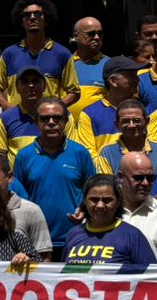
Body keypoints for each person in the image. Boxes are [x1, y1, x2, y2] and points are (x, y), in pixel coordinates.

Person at [12, 100, 98, 258]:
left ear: (66, 120)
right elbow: (18, 199)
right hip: (34, 240)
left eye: (57, 118)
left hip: (74, 239)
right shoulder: (24, 156)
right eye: (45, 118)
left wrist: (84, 210)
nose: (51, 122)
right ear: (36, 122)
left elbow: (92, 191)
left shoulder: (80, 153)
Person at [0, 0, 78, 110]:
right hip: (18, 122)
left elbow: (74, 91)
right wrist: (7, 107)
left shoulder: (62, 53)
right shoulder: (9, 54)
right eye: (27, 15)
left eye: (38, 14)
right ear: (21, 22)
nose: (32, 17)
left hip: (49, 123)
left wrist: (54, 109)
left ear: (46, 19)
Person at [94, 98, 157, 181]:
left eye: (137, 120)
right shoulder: (107, 153)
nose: (132, 125)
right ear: (117, 124)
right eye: (126, 121)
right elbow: (108, 188)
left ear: (147, 121)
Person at [116, 150, 157, 255]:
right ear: (121, 177)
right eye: (138, 178)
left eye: (150, 178)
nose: (145, 183)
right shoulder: (105, 212)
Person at [80, 55, 143, 152]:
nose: (137, 80)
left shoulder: (148, 110)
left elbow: (153, 146)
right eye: (131, 75)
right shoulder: (89, 114)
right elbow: (88, 153)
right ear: (113, 81)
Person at [68, 16, 110, 114]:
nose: (97, 37)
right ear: (76, 36)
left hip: (97, 127)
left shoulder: (110, 65)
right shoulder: (65, 63)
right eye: (91, 34)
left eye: (100, 33)